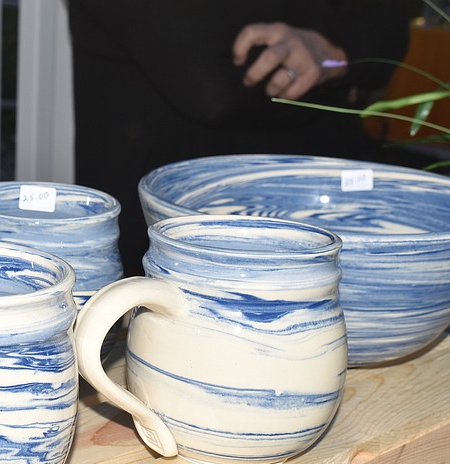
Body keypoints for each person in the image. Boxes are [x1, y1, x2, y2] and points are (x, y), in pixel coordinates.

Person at [68, 1, 421, 276]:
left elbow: (387, 28)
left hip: (326, 216)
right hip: (174, 235)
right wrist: (344, 85)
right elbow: (214, 88)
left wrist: (334, 61)